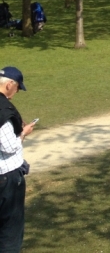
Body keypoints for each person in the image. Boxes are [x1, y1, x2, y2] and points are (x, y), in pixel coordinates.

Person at [0, 67, 34, 253]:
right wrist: (23, 134)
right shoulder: (2, 109)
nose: (17, 92)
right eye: (18, 87)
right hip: (6, 179)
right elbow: (8, 146)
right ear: (9, 84)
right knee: (10, 230)